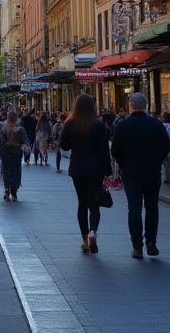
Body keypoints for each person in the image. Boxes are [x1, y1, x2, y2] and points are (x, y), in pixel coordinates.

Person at [111, 93, 170, 259]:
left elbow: (115, 150)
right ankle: (151, 242)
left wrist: (124, 164)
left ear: (130, 106)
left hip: (131, 172)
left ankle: (137, 246)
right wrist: (157, 160)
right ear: (146, 106)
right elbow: (167, 146)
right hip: (152, 171)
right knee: (152, 207)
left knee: (134, 208)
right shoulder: (156, 124)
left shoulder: (123, 125)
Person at [60, 94, 111, 254]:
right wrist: (108, 172)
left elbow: (65, 146)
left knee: (82, 204)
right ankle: (93, 232)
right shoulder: (98, 125)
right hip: (95, 169)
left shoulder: (69, 124)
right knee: (93, 204)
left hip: (77, 169)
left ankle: (84, 239)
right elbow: (104, 151)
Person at [0, 110, 30, 202]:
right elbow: (26, 141)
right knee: (16, 171)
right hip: (17, 152)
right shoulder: (20, 128)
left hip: (6, 151)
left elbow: (1, 141)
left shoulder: (4, 127)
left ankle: (6, 190)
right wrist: (24, 147)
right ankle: (14, 192)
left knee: (6, 171)